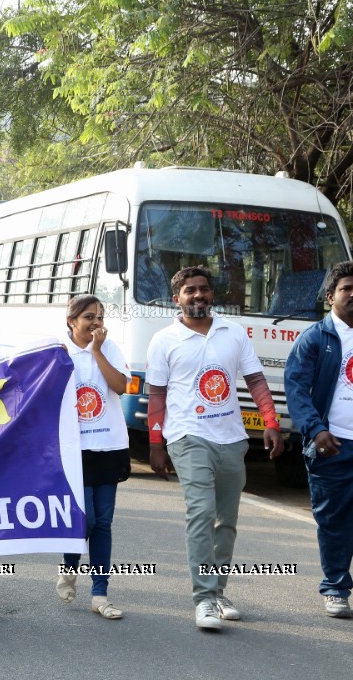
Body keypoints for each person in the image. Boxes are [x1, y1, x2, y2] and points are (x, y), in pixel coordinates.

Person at [146, 265, 283, 630]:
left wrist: (271, 422)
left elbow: (255, 381)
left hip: (231, 438)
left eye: (203, 289)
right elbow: (156, 396)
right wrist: (155, 444)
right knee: (202, 512)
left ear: (212, 294)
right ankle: (204, 598)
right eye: (190, 290)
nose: (198, 295)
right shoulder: (164, 340)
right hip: (188, 437)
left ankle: (219, 592)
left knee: (226, 522)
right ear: (177, 299)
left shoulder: (233, 332)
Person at [283, 261, 353, 619]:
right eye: (347, 288)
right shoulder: (316, 338)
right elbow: (296, 389)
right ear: (330, 296)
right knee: (335, 521)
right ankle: (337, 588)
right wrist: (316, 429)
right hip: (333, 445)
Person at [57, 295, 131, 620]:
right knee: (83, 519)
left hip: (109, 447)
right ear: (72, 321)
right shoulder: (59, 352)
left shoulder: (108, 348)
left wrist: (97, 351)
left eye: (100, 317)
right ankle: (69, 567)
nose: (96, 323)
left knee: (103, 522)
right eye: (89, 317)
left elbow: (120, 386)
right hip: (74, 450)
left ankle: (100, 593)